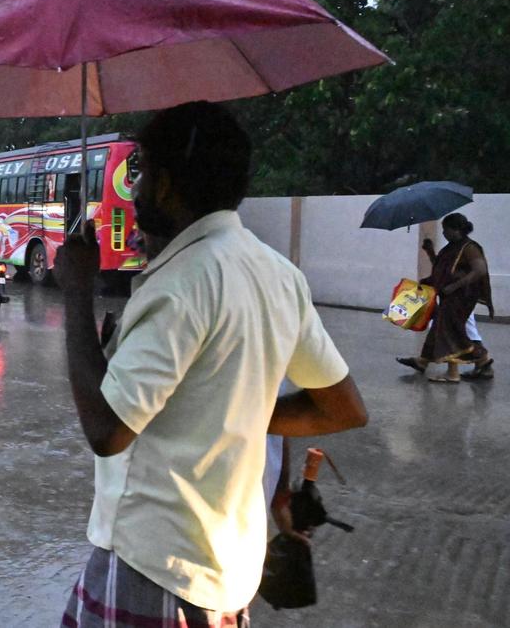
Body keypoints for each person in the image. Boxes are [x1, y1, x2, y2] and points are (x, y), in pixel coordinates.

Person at [56, 101, 367, 627]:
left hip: (154, 566)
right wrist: (234, 410)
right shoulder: (277, 273)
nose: (134, 190)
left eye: (142, 172)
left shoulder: (180, 284)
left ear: (167, 185)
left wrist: (76, 291)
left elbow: (107, 431)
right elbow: (342, 407)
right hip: (228, 572)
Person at [397, 213, 495, 382]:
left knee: (449, 332)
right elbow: (443, 269)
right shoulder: (452, 247)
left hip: (461, 297)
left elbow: (479, 270)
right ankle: (423, 361)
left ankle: (457, 371)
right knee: (441, 329)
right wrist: (430, 252)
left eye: (446, 229)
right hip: (448, 295)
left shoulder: (469, 248)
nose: (443, 233)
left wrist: (454, 286)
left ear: (456, 229)